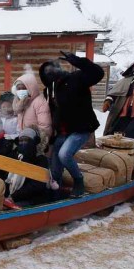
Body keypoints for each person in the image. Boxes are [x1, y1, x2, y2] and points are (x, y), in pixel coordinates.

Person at [39, 51, 105, 198]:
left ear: (58, 69)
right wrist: (50, 136)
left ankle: (78, 181)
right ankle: (56, 193)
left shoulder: (76, 78)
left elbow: (98, 73)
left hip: (80, 129)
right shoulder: (49, 90)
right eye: (45, 72)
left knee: (64, 155)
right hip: (62, 133)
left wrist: (79, 62)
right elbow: (52, 114)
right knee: (54, 164)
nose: (49, 73)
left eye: (51, 69)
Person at [11, 70, 53, 140]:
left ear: (30, 87)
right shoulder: (20, 103)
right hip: (24, 139)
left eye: (24, 88)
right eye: (19, 88)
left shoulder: (39, 102)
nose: (21, 91)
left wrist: (37, 141)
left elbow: (45, 126)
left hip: (36, 141)